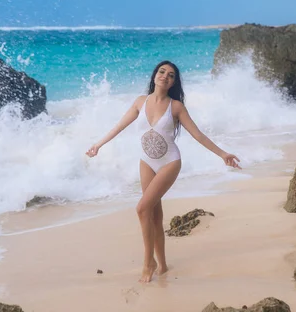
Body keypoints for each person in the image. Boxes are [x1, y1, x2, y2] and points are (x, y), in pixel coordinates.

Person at [86, 60, 241, 283]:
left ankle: (148, 263)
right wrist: (98, 144)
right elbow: (120, 126)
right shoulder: (140, 102)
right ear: (155, 75)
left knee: (141, 209)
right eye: (162, 72)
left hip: (169, 162)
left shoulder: (176, 107)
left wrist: (223, 154)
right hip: (146, 162)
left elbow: (198, 135)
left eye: (170, 75)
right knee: (154, 215)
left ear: (173, 82)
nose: (165, 76)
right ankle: (163, 265)